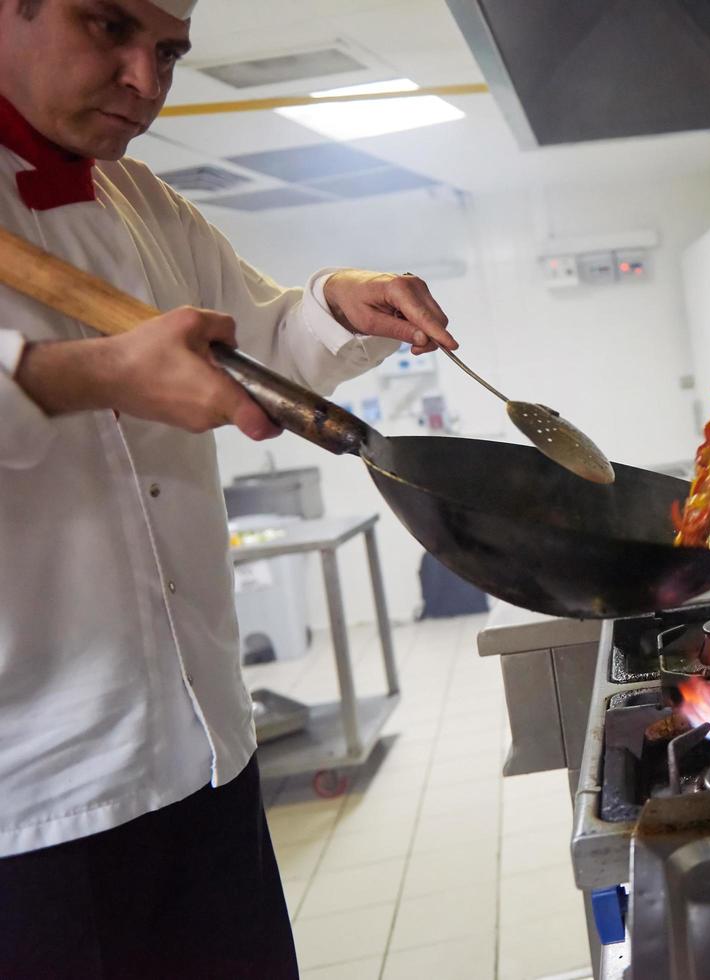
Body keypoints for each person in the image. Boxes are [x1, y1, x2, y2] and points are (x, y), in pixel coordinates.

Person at [0, 0, 462, 975]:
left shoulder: (145, 201)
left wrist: (334, 303)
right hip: (34, 806)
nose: (144, 78)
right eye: (107, 27)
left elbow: (258, 340)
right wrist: (91, 374)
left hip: (208, 748)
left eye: (168, 50)